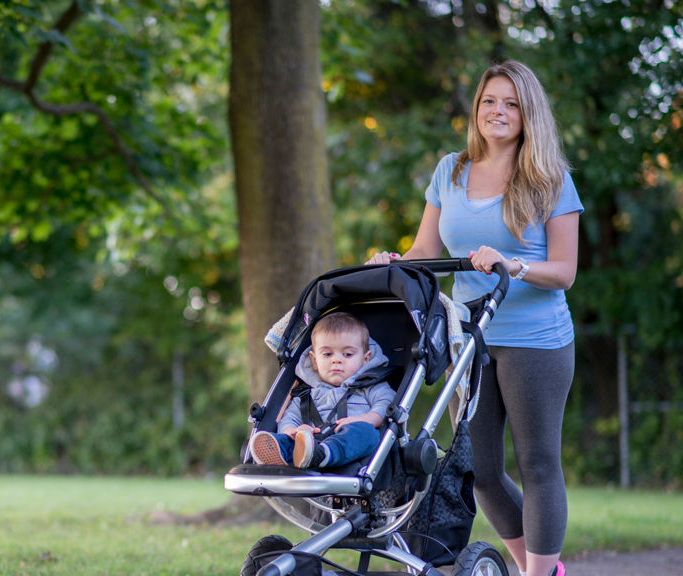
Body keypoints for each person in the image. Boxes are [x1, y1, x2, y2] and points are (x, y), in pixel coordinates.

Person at [367, 60, 582, 576]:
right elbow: (425, 248)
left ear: (528, 114)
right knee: (481, 470)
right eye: (490, 101)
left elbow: (566, 271)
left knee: (537, 465)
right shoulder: (451, 170)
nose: (498, 111)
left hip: (537, 340)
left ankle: (539, 574)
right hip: (471, 340)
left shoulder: (549, 178)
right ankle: (538, 568)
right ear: (477, 108)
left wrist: (515, 264)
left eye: (511, 103)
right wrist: (397, 262)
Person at [249, 312, 395, 469]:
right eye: (327, 354)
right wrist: (293, 430)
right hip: (309, 444)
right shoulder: (306, 393)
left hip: (350, 445)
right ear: (314, 360)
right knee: (287, 438)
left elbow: (386, 404)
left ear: (365, 359)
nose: (336, 360)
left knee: (368, 433)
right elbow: (289, 417)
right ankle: (279, 451)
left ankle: (323, 454)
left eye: (347, 354)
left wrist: (367, 418)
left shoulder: (370, 386)